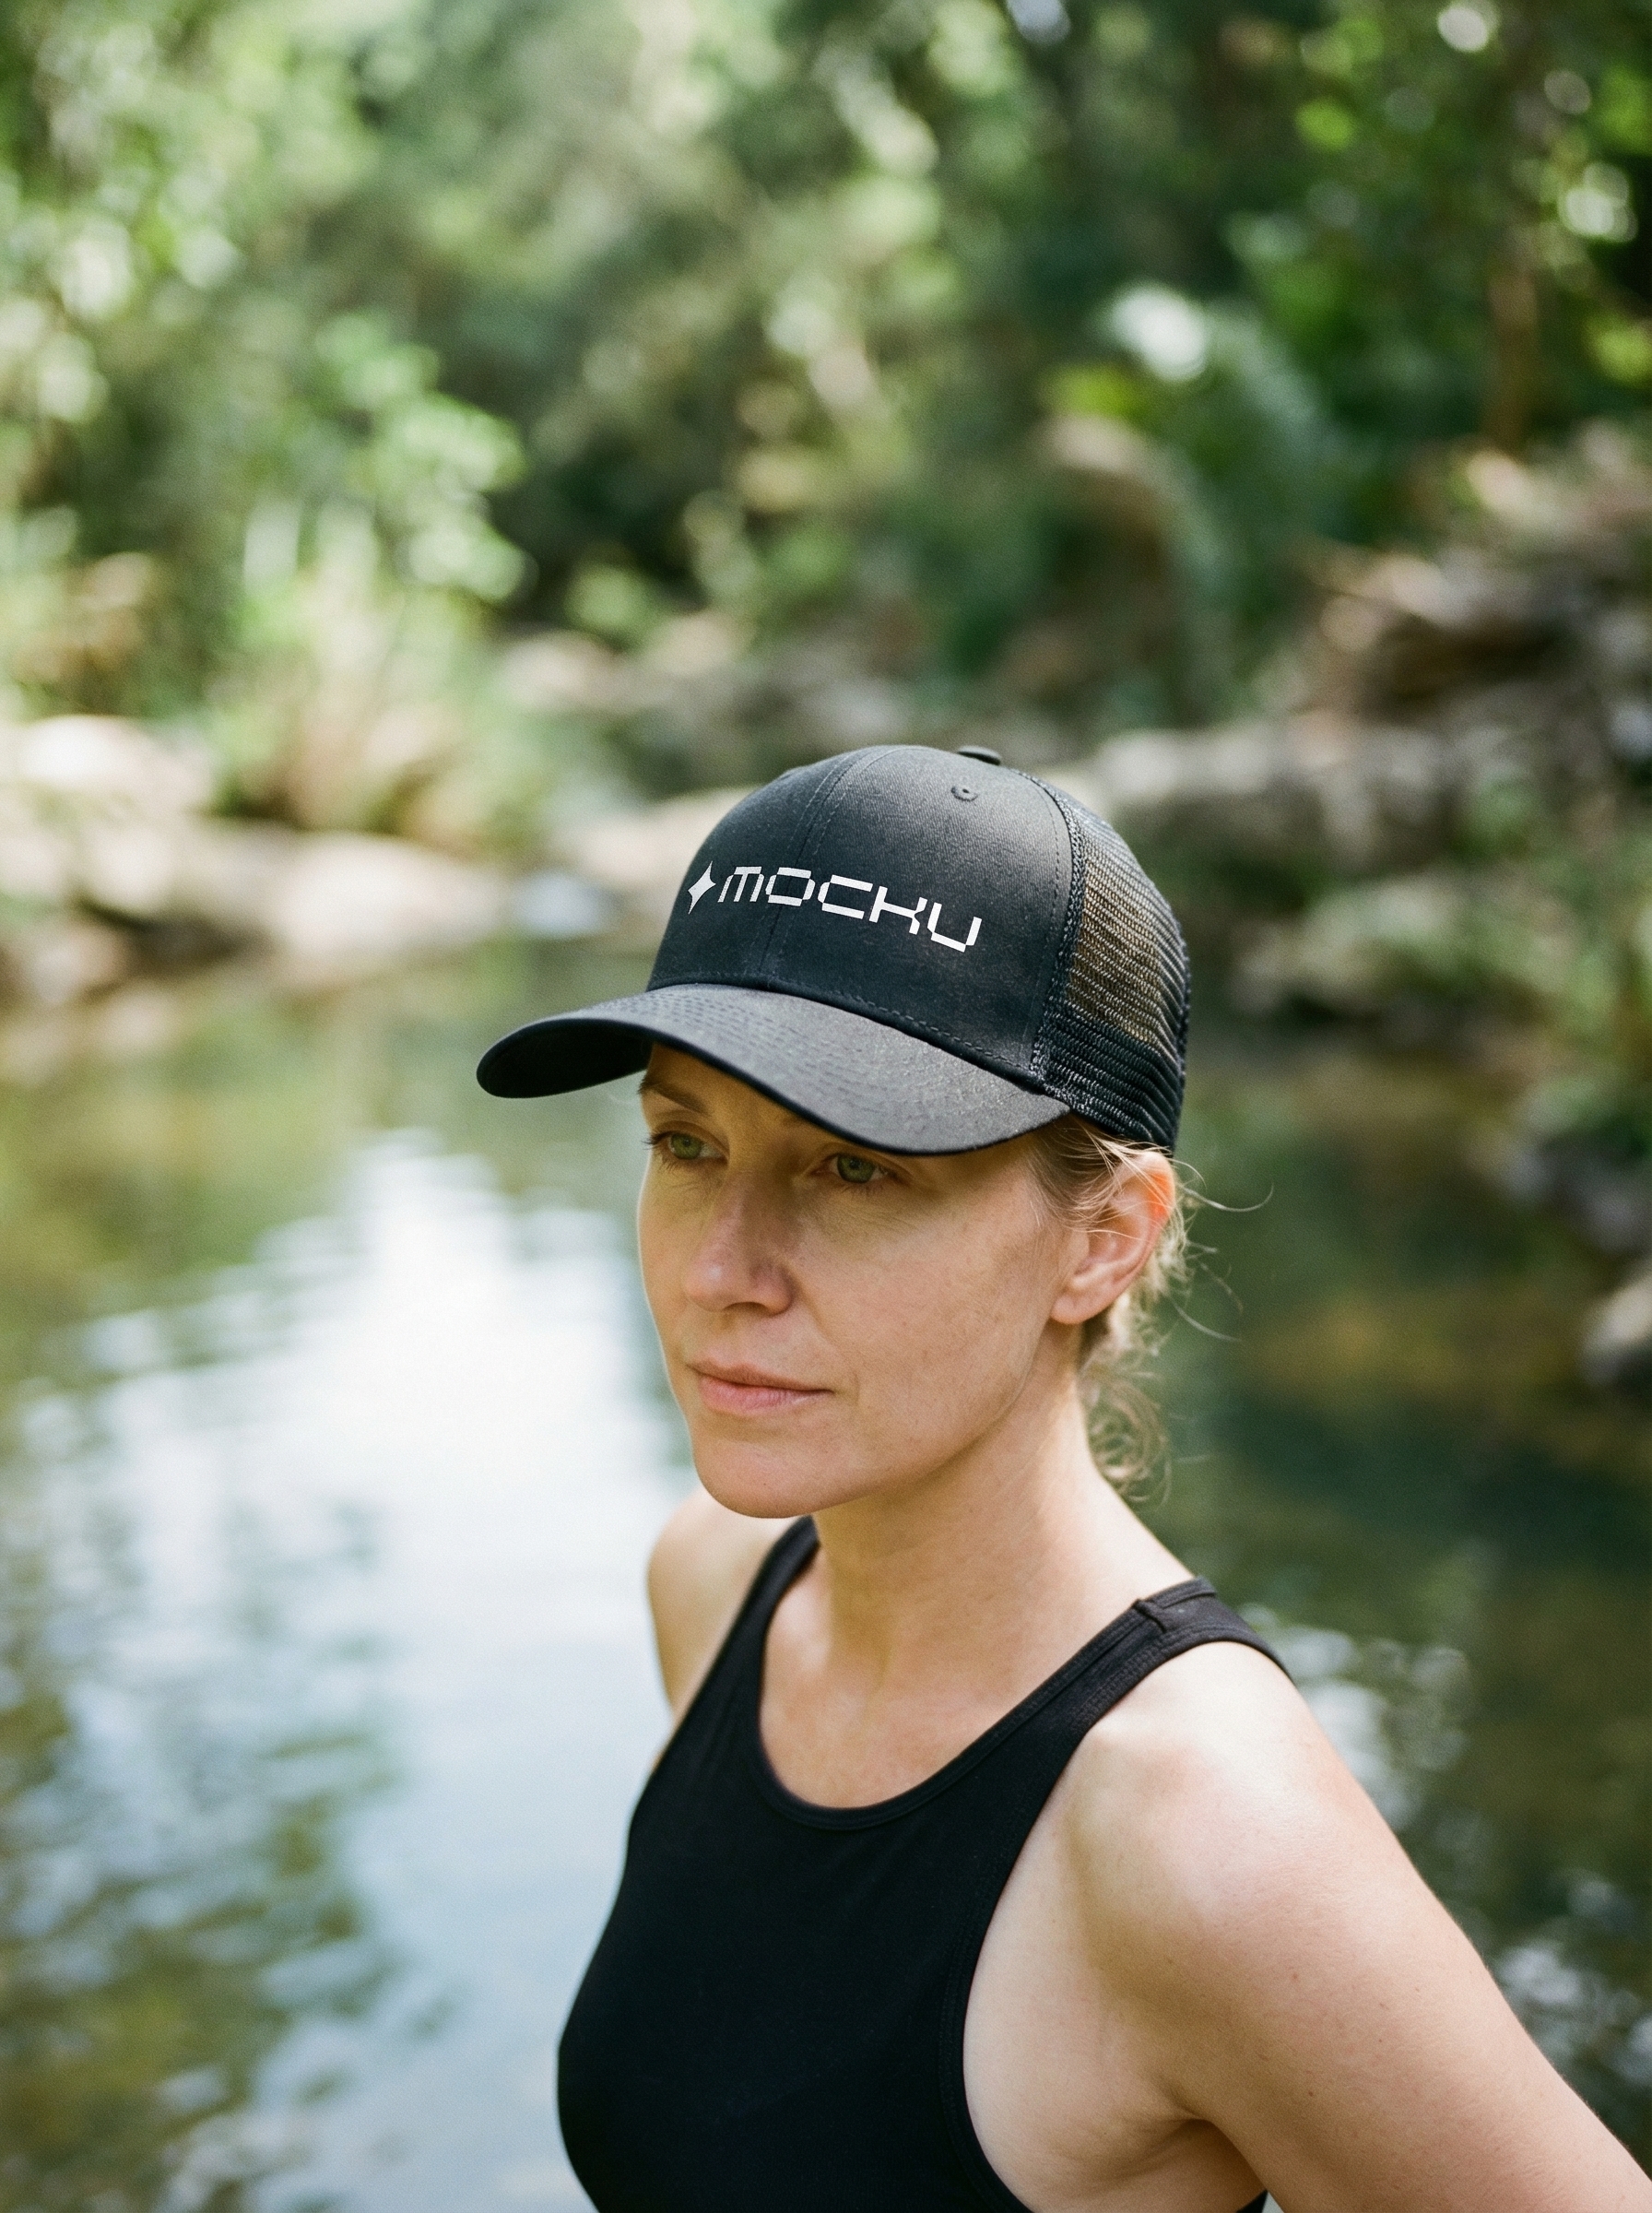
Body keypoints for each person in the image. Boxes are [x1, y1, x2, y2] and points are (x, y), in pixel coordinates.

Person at [479, 744, 1649, 2213]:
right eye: (686, 1142)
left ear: (1104, 1238)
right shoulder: (714, 1586)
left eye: (856, 1171)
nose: (722, 1270)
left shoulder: (1200, 1835)